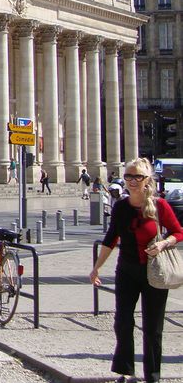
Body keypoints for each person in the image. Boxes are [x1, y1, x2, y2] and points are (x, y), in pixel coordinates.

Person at [90, 157, 182, 383]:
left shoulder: (159, 206)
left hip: (154, 271)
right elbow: (111, 239)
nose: (132, 181)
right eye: (128, 176)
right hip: (127, 270)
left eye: (137, 177)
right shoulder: (121, 206)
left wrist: (163, 243)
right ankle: (124, 370)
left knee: (153, 327)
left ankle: (152, 376)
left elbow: (178, 232)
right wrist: (96, 268)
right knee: (122, 321)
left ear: (146, 180)